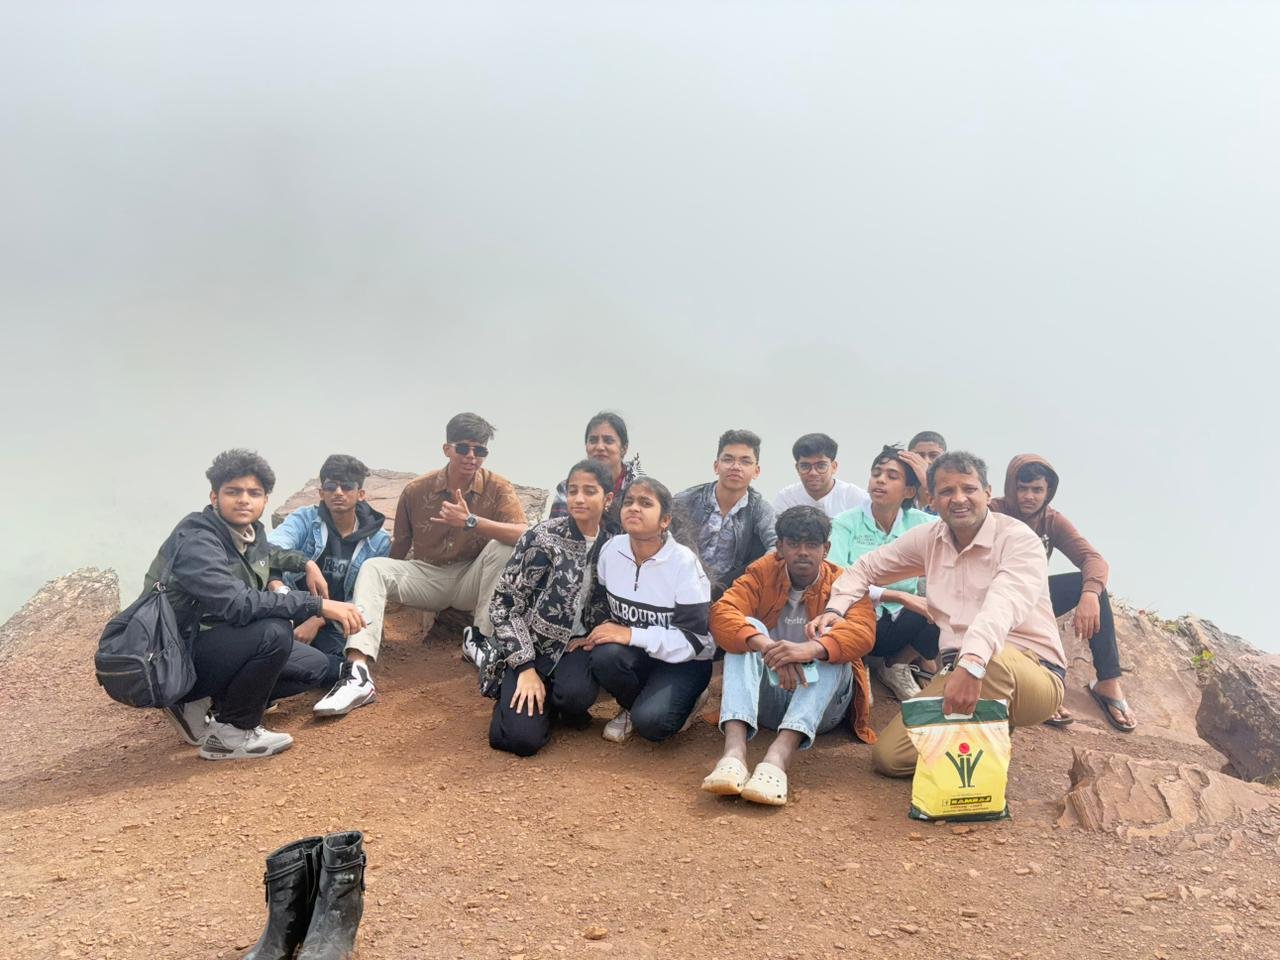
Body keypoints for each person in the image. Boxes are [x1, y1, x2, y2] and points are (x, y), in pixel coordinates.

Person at [807, 451, 1066, 778]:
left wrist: (973, 663)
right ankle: (973, 736)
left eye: (969, 489)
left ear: (987, 493)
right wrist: (836, 608)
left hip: (1030, 672)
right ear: (932, 499)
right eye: (946, 491)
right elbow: (866, 568)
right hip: (960, 671)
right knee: (890, 758)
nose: (958, 499)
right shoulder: (930, 539)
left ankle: (977, 775)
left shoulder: (1018, 540)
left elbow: (1002, 605)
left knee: (991, 662)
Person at [149, 450, 365, 760]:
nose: (244, 500)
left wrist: (306, 563)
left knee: (314, 667)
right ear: (214, 497)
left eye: (254, 493)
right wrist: (317, 605)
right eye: (233, 492)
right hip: (174, 654)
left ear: (264, 500)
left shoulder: (248, 533)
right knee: (274, 631)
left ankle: (209, 703)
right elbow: (237, 604)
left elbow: (272, 553)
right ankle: (231, 733)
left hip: (214, 644)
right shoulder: (197, 540)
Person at [313, 413, 528, 717]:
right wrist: (382, 597)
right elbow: (400, 546)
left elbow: (523, 534)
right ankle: (357, 673)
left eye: (479, 450)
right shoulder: (416, 490)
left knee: (504, 544)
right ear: (447, 449)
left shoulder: (498, 486)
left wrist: (471, 521)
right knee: (374, 567)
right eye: (463, 448)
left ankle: (480, 639)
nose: (471, 456)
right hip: (428, 576)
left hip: (473, 577)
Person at [702, 507, 877, 805]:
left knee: (833, 635)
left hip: (821, 708)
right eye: (794, 544)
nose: (803, 552)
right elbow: (721, 613)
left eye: (812, 544)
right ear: (780, 547)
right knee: (747, 629)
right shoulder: (761, 572)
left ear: (826, 549)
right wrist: (767, 646)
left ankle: (777, 757)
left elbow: (863, 632)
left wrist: (809, 649)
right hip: (769, 697)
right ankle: (733, 754)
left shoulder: (844, 582)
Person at [990, 455, 1135, 731]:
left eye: (1037, 490)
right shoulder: (992, 512)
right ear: (1010, 487)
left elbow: (1092, 559)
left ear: (1048, 492)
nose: (1029, 496)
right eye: (1022, 488)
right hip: (992, 596)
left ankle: (1107, 681)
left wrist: (1089, 595)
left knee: (1088, 585)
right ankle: (1039, 691)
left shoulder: (1051, 520)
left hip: (1033, 599)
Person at [569, 477, 714, 743]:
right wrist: (597, 630)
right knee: (604, 655)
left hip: (685, 662)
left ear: (665, 520)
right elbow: (600, 599)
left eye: (645, 503)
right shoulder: (612, 550)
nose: (634, 508)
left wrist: (631, 634)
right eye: (629, 502)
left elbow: (693, 641)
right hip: (639, 654)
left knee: (653, 725)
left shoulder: (683, 563)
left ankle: (689, 699)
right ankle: (631, 706)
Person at [486, 460, 614, 757]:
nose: (578, 498)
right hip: (529, 648)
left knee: (576, 697)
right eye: (573, 490)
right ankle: (513, 697)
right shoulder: (541, 537)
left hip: (574, 648)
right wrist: (525, 668)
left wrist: (593, 634)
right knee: (522, 741)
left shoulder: (612, 546)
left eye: (589, 491)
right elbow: (504, 605)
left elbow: (608, 603)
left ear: (607, 499)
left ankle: (554, 704)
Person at [266, 454, 391, 691]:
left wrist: (317, 620)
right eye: (331, 487)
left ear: (361, 494)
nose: (338, 493)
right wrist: (306, 564)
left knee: (337, 670)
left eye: (347, 487)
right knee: (265, 643)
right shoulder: (305, 519)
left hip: (334, 620)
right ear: (321, 492)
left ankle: (283, 665)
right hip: (290, 605)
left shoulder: (378, 541)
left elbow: (364, 598)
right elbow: (269, 549)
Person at [828, 446, 939, 701]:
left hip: (903, 618)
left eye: (892, 476)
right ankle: (857, 665)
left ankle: (895, 665)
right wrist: (897, 596)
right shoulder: (846, 522)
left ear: (909, 491)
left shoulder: (923, 523)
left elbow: (964, 531)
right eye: (876, 473)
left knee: (948, 603)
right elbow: (836, 576)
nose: (880, 480)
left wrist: (928, 483)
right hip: (859, 614)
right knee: (844, 604)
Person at [674, 429, 776, 598]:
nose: (736, 467)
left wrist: (749, 578)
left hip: (729, 591)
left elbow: (777, 546)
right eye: (728, 459)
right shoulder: (686, 499)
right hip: (679, 582)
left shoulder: (760, 509)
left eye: (745, 461)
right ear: (716, 466)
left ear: (756, 471)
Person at [547, 411, 643, 532]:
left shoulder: (639, 489)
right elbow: (555, 531)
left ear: (624, 448)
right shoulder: (568, 488)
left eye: (608, 441)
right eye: (593, 440)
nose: (599, 447)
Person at [771, 433, 870, 519]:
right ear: (797, 468)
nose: (813, 473)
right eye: (805, 466)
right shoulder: (786, 499)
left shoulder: (855, 498)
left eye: (821, 466)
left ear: (834, 467)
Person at [906, 431, 947, 513]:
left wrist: (927, 482)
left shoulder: (953, 490)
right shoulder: (901, 494)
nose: (926, 461)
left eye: (934, 455)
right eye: (920, 456)